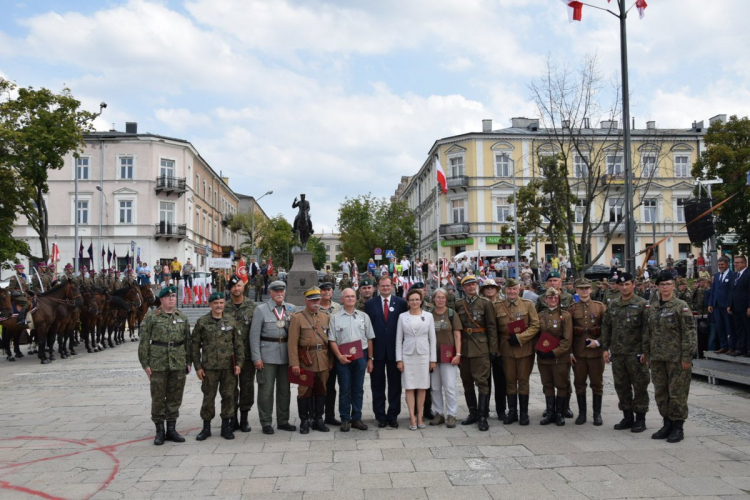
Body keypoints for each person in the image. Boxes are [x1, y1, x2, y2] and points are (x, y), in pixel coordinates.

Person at [643, 271, 696, 443]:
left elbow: (689, 333)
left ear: (673, 286)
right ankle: (666, 423)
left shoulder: (681, 306)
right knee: (661, 392)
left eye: (668, 284)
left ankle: (678, 426)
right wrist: (648, 354)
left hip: (676, 358)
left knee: (677, 393)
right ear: (657, 287)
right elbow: (647, 333)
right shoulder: (652, 308)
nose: (665, 288)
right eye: (662, 285)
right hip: (658, 358)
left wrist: (687, 357)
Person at [138, 286, 191, 445]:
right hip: (158, 362)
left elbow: (188, 341)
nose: (171, 299)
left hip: (178, 362)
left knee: (175, 396)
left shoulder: (182, 317)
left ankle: (172, 429)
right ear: (161, 299)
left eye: (173, 296)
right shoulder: (151, 317)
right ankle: (160, 430)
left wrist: (189, 361)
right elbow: (144, 343)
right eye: (168, 296)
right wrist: (145, 364)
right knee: (158, 397)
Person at [601, 272, 650, 433]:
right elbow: (606, 327)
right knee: (621, 386)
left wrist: (646, 351)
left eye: (627, 284)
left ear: (633, 285)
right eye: (621, 285)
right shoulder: (613, 304)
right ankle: (627, 416)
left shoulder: (642, 304)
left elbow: (647, 330)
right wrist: (605, 348)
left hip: (636, 354)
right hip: (618, 352)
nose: (624, 287)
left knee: (640, 386)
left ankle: (640, 418)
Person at [192, 292, 243, 441]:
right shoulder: (202, 322)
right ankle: (206, 428)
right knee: (208, 397)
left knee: (229, 397)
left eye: (221, 303)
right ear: (210, 305)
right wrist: (198, 367)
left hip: (228, 368)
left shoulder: (231, 322)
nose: (219, 305)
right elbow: (195, 346)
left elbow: (238, 345)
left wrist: (239, 364)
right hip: (209, 369)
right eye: (216, 303)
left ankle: (226, 428)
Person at [249, 280, 297, 435]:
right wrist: (256, 358)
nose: (279, 294)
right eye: (276, 291)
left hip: (285, 357)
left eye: (282, 291)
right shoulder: (261, 310)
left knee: (285, 391)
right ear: (270, 293)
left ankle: (283, 420)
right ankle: (266, 422)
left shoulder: (290, 309)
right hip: (267, 356)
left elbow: (295, 334)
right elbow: (254, 336)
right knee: (266, 390)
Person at [364, 275, 408, 428]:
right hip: (376, 351)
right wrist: (369, 356)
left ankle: (393, 415)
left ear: (392, 286)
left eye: (388, 285)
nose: (385, 288)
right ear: (378, 287)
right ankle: (380, 416)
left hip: (395, 351)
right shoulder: (370, 304)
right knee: (377, 386)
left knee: (395, 385)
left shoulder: (402, 303)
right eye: (382, 286)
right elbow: (367, 329)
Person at [455, 275, 497, 432]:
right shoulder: (459, 304)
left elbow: (492, 327)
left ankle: (482, 416)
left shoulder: (485, 303)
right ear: (464, 288)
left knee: (482, 382)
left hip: (481, 347)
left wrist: (493, 348)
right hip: (465, 348)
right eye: (468, 285)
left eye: (473, 284)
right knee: (466, 382)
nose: (471, 287)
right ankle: (472, 413)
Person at [495, 278, 540, 426]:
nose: (512, 292)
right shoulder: (498, 306)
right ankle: (512, 412)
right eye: (509, 289)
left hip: (524, 348)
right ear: (505, 290)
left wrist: (520, 337)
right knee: (510, 381)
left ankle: (524, 413)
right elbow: (494, 329)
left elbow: (535, 325)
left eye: (514, 289)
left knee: (523, 381)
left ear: (519, 289)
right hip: (506, 348)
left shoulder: (528, 305)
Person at [329, 288, 375, 431]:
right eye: (347, 296)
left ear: (356, 298)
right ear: (341, 299)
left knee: (358, 388)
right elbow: (332, 340)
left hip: (361, 356)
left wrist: (370, 359)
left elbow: (369, 339)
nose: (350, 299)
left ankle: (356, 418)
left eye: (352, 296)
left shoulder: (364, 316)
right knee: (344, 388)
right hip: (343, 358)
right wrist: (339, 357)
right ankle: (345, 419)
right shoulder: (335, 317)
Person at [288, 287, 332, 434]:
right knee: (304, 391)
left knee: (321, 390)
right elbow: (292, 343)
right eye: (312, 300)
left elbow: (330, 341)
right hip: (306, 360)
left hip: (323, 360)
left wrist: (331, 360)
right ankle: (304, 421)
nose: (315, 302)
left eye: (317, 300)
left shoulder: (325, 316)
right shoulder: (297, 317)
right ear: (306, 300)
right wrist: (294, 363)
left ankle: (318, 420)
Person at [396, 289, 437, 430]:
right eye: (411, 300)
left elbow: (432, 339)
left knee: (422, 386)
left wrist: (433, 359)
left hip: (423, 355)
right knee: (409, 386)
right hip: (407, 355)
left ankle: (420, 416)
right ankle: (412, 417)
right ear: (408, 302)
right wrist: (399, 359)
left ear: (421, 301)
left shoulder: (428, 316)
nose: (414, 302)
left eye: (417, 299)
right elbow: (398, 340)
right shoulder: (402, 317)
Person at [568, 278, 606, 426]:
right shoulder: (572, 308)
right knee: (579, 383)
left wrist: (598, 342)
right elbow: (568, 333)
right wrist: (570, 352)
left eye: (586, 288)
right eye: (581, 288)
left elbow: (607, 328)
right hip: (578, 353)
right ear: (576, 290)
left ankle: (597, 414)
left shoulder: (599, 307)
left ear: (591, 290)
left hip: (595, 353)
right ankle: (582, 413)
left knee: (597, 383)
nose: (584, 291)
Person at [225, 275, 256, 433]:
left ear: (243, 287)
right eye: (233, 286)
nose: (236, 289)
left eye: (238, 285)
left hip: (248, 355)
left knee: (247, 387)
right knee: (230, 388)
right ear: (229, 289)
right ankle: (233, 419)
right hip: (229, 356)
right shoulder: (224, 308)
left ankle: (244, 418)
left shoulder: (253, 307)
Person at [537, 288, 573, 426]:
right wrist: (538, 349)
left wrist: (555, 352)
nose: (552, 300)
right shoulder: (540, 315)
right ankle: (550, 412)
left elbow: (567, 339)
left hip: (559, 357)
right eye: (549, 298)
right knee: (547, 384)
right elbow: (535, 333)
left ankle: (560, 413)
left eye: (555, 298)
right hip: (543, 358)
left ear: (559, 299)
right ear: (545, 299)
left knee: (561, 385)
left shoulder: (565, 316)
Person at [426, 288, 462, 428]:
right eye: (438, 297)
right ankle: (438, 413)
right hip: (433, 355)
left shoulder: (452, 314)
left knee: (450, 386)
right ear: (433, 299)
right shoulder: (429, 315)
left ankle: (452, 414)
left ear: (446, 299)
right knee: (434, 387)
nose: (440, 300)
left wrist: (458, 354)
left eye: (443, 297)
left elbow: (458, 335)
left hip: (448, 355)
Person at [316, 281, 342, 426]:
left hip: (338, 349)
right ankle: (317, 415)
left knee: (332, 386)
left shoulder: (337, 307)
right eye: (324, 290)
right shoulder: (316, 307)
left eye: (329, 290)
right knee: (320, 384)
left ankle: (330, 415)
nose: (326, 292)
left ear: (332, 292)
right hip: (322, 351)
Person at [480, 279, 506, 420]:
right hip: (483, 346)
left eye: (492, 287)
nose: (490, 290)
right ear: (483, 290)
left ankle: (501, 409)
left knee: (501, 381)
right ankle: (484, 410)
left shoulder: (503, 305)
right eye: (487, 287)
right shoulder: (480, 304)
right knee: (485, 380)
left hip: (501, 347)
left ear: (497, 290)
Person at [708, 256, 734, 354]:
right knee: (720, 326)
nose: (720, 266)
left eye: (722, 264)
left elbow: (732, 291)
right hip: (717, 305)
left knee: (729, 327)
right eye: (719, 265)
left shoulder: (732, 275)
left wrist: (730, 304)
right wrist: (710, 303)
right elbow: (713, 290)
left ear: (727, 264)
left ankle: (732, 346)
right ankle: (723, 346)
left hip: (727, 306)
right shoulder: (717, 275)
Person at [728, 255, 750, 357]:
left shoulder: (748, 274)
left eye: (738, 262)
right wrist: (730, 304)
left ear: (744, 263)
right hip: (736, 306)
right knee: (739, 329)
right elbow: (731, 291)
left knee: (748, 328)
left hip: (745, 306)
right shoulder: (734, 275)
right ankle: (741, 348)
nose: (735, 264)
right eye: (735, 263)